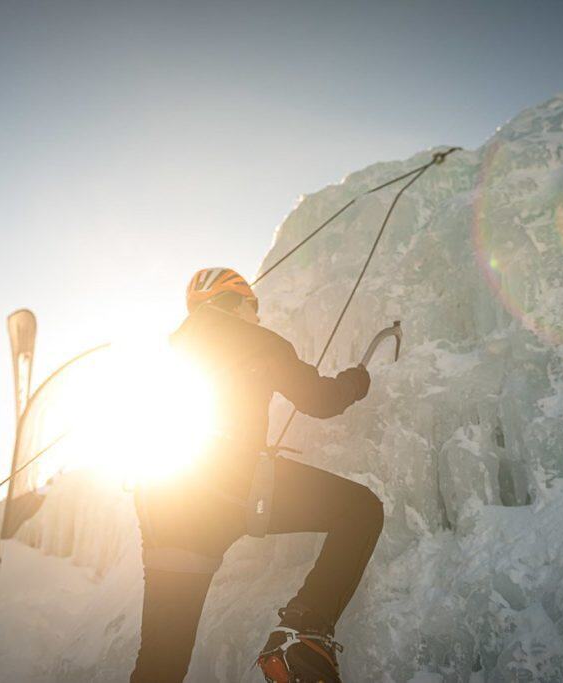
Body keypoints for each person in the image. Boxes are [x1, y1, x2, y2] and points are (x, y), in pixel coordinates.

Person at [130, 267, 384, 683]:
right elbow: (319, 401)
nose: (258, 316)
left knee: (161, 661)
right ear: (237, 300)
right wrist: (355, 382)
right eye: (254, 306)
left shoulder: (168, 352)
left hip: (162, 509)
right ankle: (304, 634)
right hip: (228, 484)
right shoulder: (257, 339)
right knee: (361, 510)